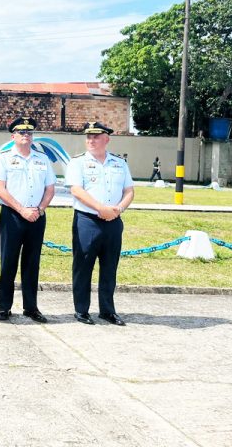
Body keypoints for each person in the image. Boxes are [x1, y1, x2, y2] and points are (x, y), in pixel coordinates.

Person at [65, 121, 134, 326]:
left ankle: (107, 310)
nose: (91, 140)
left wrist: (118, 209)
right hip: (87, 221)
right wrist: (99, 208)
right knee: (83, 266)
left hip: (113, 220)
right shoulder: (77, 162)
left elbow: (129, 191)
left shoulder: (119, 163)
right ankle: (81, 310)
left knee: (109, 267)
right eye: (88, 137)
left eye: (96, 137)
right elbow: (76, 190)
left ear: (106, 139)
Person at [0, 117, 56, 323]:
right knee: (8, 262)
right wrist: (21, 210)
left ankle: (31, 307)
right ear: (13, 136)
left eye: (28, 132)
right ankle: (4, 307)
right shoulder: (3, 158)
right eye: (21, 132)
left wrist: (40, 209)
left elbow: (50, 188)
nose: (25, 135)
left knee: (32, 263)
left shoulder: (42, 159)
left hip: (36, 216)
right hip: (12, 216)